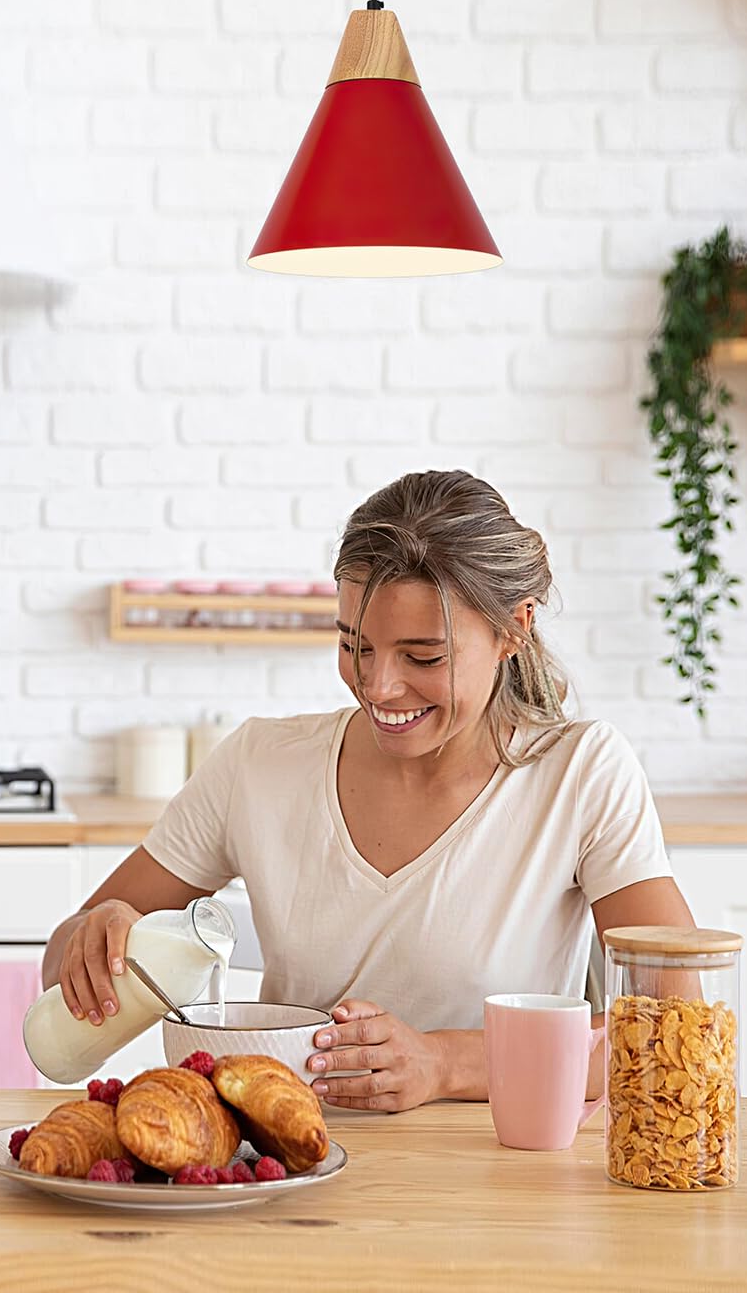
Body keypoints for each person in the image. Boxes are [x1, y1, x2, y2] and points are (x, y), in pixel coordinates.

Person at [44, 469, 694, 1113]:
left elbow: (676, 1032)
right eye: (355, 645)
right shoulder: (259, 763)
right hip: (290, 1169)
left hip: (497, 1185)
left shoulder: (580, 773)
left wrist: (444, 1063)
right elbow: (56, 967)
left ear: (513, 630)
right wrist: (96, 938)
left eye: (424, 657)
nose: (379, 686)